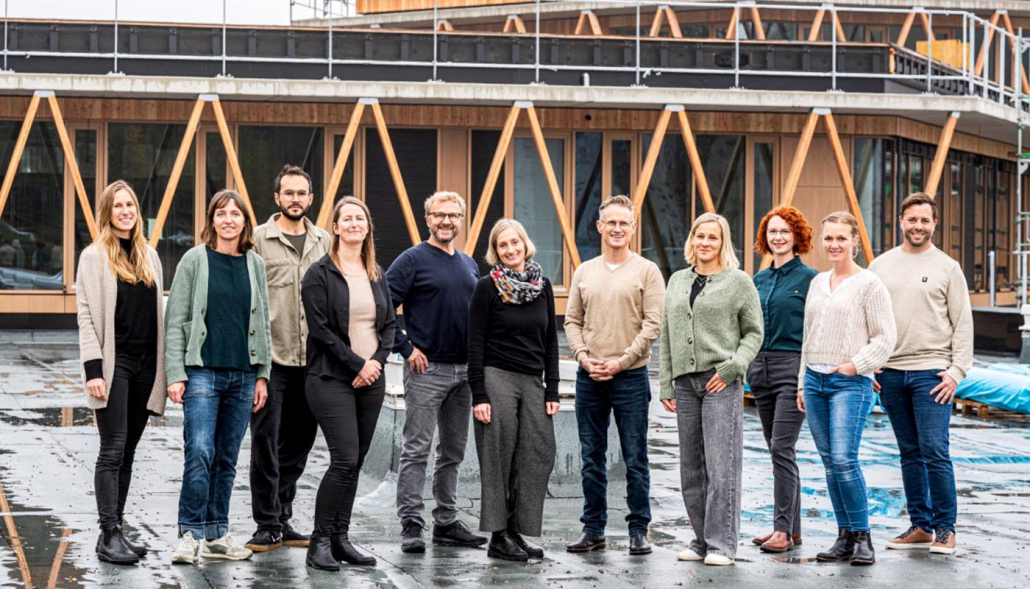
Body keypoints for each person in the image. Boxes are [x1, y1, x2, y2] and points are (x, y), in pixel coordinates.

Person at [165, 189, 271, 565]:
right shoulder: (195, 260)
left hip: (243, 375)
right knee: (199, 452)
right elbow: (175, 320)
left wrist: (262, 375)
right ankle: (190, 534)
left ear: (245, 222)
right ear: (212, 220)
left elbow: (263, 322)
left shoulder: (255, 264)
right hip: (203, 373)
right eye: (221, 213)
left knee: (226, 457)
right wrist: (175, 374)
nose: (228, 220)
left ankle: (216, 535)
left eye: (235, 214)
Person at [870, 193, 973, 556]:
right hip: (891, 374)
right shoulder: (879, 266)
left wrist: (956, 372)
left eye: (925, 220)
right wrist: (868, 363)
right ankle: (920, 525)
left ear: (934, 224)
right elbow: (867, 318)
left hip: (932, 374)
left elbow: (963, 324)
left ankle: (945, 529)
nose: (918, 226)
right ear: (901, 221)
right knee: (909, 452)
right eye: (912, 219)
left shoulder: (948, 267)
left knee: (935, 451)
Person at [659, 212, 763, 566]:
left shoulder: (738, 282)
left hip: (720, 381)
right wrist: (666, 383)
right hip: (685, 384)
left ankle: (722, 545)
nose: (705, 242)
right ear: (692, 239)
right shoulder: (677, 280)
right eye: (700, 236)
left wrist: (734, 367)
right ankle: (701, 539)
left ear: (723, 243)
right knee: (691, 467)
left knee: (721, 467)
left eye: (712, 237)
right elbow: (667, 333)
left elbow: (754, 332)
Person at [564, 195, 665, 556]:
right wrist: (583, 357)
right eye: (612, 223)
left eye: (624, 223)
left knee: (635, 458)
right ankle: (593, 529)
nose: (617, 229)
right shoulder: (584, 271)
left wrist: (622, 361)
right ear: (600, 227)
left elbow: (653, 325)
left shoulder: (647, 271)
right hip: (589, 377)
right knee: (592, 457)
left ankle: (638, 530)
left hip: (630, 378)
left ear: (633, 228)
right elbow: (572, 320)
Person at [387, 191, 486, 553]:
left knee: (453, 453)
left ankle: (446, 522)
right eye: (439, 215)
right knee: (416, 450)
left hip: (465, 372)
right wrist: (405, 347)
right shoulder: (411, 260)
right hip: (427, 371)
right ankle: (412, 523)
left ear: (461, 220)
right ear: (427, 219)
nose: (447, 221)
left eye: (453, 215)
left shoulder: (469, 264)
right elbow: (383, 306)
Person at [301, 197, 396, 571]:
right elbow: (321, 331)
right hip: (330, 377)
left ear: (368, 227)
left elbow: (389, 325)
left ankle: (340, 539)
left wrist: (376, 363)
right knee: (343, 459)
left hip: (371, 379)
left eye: (361, 218)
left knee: (356, 462)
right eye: (347, 219)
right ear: (336, 227)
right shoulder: (319, 274)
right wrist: (359, 364)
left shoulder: (376, 272)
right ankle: (319, 542)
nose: (355, 223)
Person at [797, 211, 896, 567]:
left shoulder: (870, 284)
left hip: (850, 383)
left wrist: (856, 364)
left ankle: (863, 536)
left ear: (855, 241)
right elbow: (808, 337)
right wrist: (801, 383)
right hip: (815, 381)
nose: (834, 244)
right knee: (829, 463)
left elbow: (885, 337)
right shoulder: (817, 283)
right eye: (829, 238)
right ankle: (844, 537)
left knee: (844, 459)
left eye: (841, 238)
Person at [76, 180, 167, 565]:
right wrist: (93, 369)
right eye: (118, 206)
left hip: (147, 366)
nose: (126, 211)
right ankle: (108, 532)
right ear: (107, 213)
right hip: (115, 367)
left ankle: (115, 533)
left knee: (128, 452)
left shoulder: (150, 256)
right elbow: (85, 316)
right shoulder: (93, 257)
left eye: (130, 205)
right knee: (112, 449)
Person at [246, 165, 331, 553]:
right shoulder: (257, 240)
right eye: (288, 193)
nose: (295, 199)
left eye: (301, 193)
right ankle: (266, 523)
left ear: (310, 199)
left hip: (312, 362)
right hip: (271, 361)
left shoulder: (324, 241)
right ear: (277, 197)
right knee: (265, 444)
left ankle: (282, 517)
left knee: (299, 443)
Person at [468, 218, 560, 562]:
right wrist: (479, 393)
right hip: (497, 377)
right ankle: (498, 535)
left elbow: (551, 340)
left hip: (533, 381)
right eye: (503, 245)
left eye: (514, 242)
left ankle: (517, 529)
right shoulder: (487, 287)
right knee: (498, 457)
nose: (510, 249)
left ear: (525, 244)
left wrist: (553, 389)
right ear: (496, 251)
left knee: (537, 453)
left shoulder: (543, 285)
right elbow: (474, 342)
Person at [748, 206, 817, 553]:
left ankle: (782, 530)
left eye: (785, 232)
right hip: (760, 370)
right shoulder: (758, 280)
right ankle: (793, 529)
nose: (778, 237)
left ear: (797, 237)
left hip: (792, 369)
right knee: (778, 452)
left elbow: (817, 329)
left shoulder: (811, 280)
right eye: (772, 231)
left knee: (781, 448)